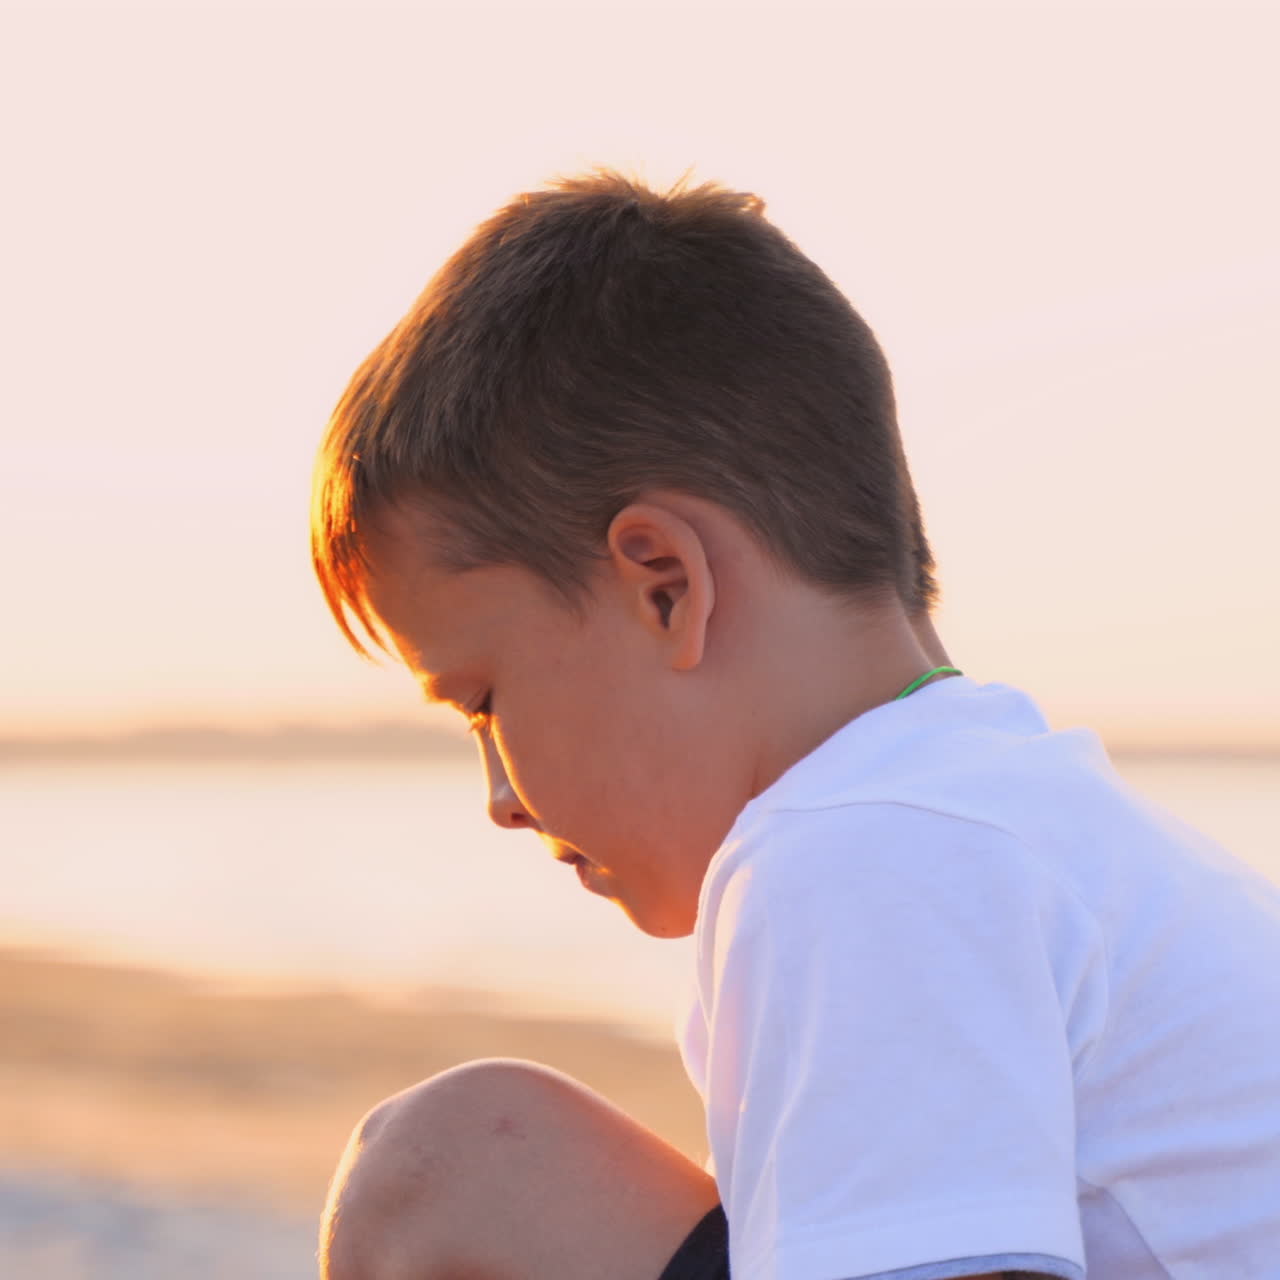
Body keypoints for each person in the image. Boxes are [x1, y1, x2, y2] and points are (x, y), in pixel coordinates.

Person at [308, 170, 1280, 1280]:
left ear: (664, 583)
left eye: (483, 701)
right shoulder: (993, 814)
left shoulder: (860, 850)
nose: (497, 794)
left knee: (451, 1164)